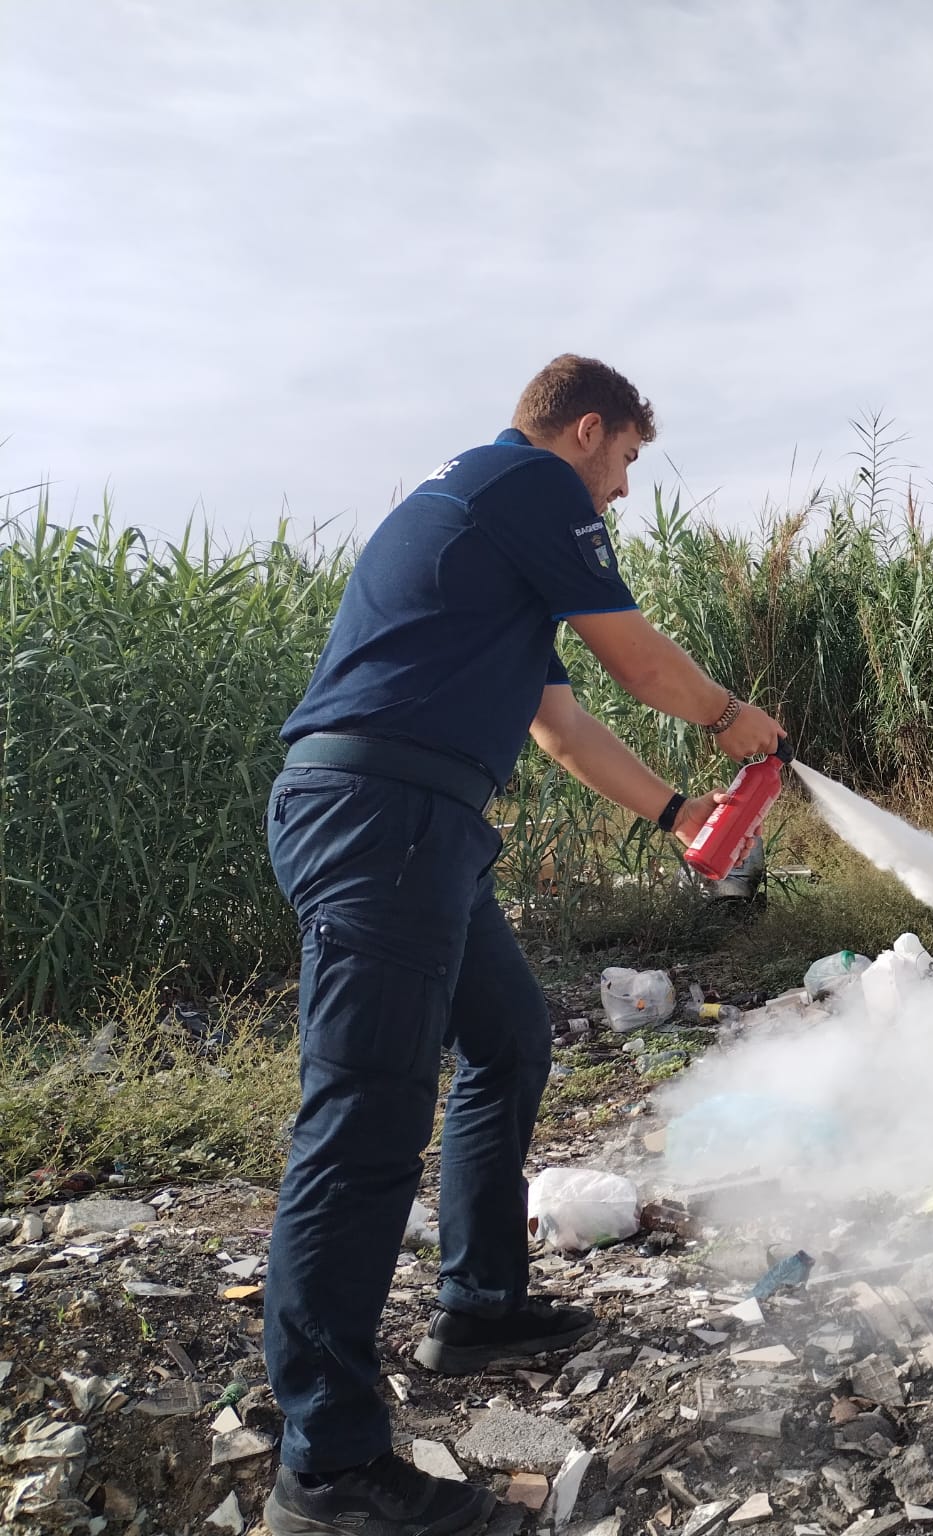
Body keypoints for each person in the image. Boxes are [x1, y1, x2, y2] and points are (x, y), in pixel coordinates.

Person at [260, 355, 783, 1536]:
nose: (623, 495)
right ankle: (328, 1469)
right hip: (380, 820)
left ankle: (480, 1306)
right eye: (627, 464)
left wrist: (670, 811)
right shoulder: (526, 487)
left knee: (504, 1043)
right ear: (585, 431)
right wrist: (730, 719)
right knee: (360, 1126)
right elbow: (636, 660)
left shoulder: (485, 533)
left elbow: (557, 724)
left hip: (419, 826)